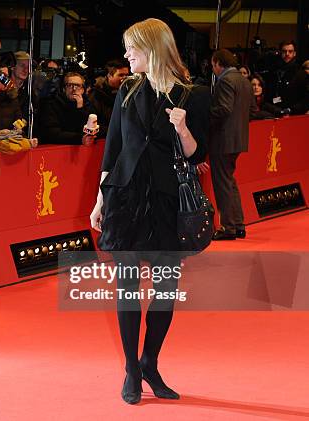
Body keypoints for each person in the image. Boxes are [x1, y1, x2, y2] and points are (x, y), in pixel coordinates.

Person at [89, 18, 210, 404]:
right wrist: (99, 200)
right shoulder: (126, 89)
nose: (126, 55)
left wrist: (185, 129)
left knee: (164, 292)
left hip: (166, 201)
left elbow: (198, 155)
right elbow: (112, 150)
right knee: (126, 289)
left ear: (153, 49)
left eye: (132, 48)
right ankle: (130, 369)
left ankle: (150, 363)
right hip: (124, 199)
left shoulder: (193, 95)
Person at [210, 49, 256, 240]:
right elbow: (253, 110)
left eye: (213, 66)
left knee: (223, 183)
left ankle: (228, 228)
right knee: (229, 181)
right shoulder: (245, 81)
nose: (213, 70)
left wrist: (204, 114)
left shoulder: (225, 81)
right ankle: (237, 224)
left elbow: (223, 109)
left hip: (223, 140)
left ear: (218, 63)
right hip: (238, 139)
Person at [39, 72, 96, 145]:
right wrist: (79, 139)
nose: (74, 89)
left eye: (78, 86)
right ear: (64, 89)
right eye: (70, 85)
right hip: (58, 149)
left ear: (82, 90)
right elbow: (52, 133)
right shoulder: (52, 105)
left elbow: (89, 130)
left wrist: (80, 109)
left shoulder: (88, 105)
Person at [89, 59, 130, 131]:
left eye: (126, 75)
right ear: (109, 76)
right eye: (121, 75)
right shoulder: (96, 95)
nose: (125, 78)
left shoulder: (129, 92)